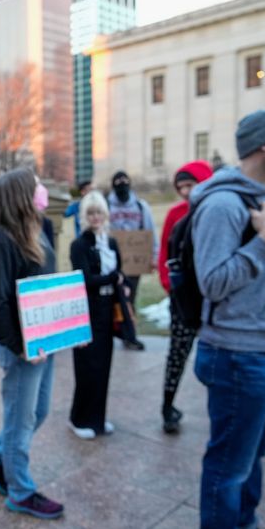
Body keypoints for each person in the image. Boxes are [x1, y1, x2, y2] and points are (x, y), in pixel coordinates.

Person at [191, 109, 265, 529]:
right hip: (239, 355)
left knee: (252, 457)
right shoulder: (222, 203)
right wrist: (263, 242)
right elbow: (211, 282)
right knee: (228, 466)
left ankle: (244, 523)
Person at [0, 168, 63, 519]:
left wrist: (71, 329)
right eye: (37, 184)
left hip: (46, 340)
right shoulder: (1, 241)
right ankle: (21, 491)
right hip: (24, 348)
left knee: (36, 413)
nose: (43, 189)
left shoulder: (39, 229)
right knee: (21, 419)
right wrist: (21, 346)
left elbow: (50, 286)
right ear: (22, 194)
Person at [156, 161, 213, 434]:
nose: (186, 192)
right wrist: (169, 286)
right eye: (181, 187)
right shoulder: (175, 214)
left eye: (190, 185)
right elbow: (164, 255)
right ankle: (168, 406)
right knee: (177, 354)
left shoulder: (218, 211)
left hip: (213, 301)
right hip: (182, 300)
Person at [67, 191, 126, 440]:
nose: (95, 217)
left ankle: (98, 419)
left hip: (106, 309)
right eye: (90, 213)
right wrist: (113, 279)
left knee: (103, 365)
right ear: (84, 216)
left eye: (98, 212)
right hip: (86, 310)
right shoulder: (79, 245)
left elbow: (119, 270)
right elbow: (86, 279)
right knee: (87, 365)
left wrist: (115, 281)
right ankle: (78, 417)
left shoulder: (110, 243)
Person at [106, 171, 158, 306]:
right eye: (118, 182)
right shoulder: (106, 206)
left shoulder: (141, 207)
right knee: (112, 298)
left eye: (125, 181)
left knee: (130, 297)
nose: (122, 185)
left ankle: (130, 323)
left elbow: (150, 230)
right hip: (112, 261)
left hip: (135, 260)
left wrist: (154, 256)